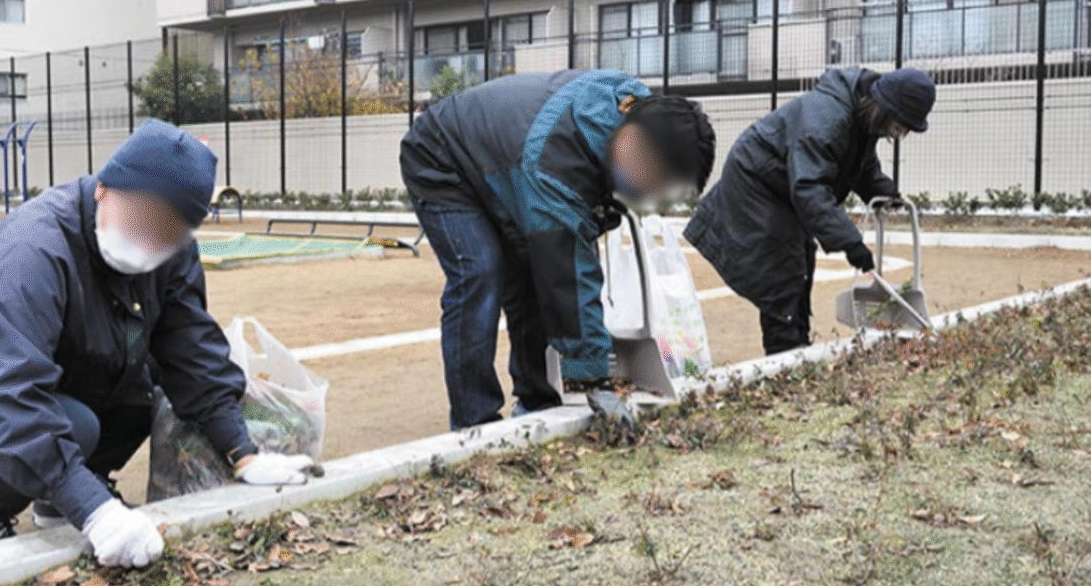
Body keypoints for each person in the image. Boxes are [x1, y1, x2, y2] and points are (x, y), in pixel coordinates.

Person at [0, 120, 319, 569]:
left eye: (170, 229)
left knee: (145, 386)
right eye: (139, 216)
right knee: (73, 425)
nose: (150, 239)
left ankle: (61, 498)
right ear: (102, 191)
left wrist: (244, 453)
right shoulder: (32, 252)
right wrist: (96, 513)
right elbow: (10, 395)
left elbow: (191, 349)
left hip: (57, 377)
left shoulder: (173, 256)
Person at [400, 69, 716, 430]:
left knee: (531, 276)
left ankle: (537, 401)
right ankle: (474, 425)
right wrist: (596, 382)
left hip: (506, 164)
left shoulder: (637, 112)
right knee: (481, 273)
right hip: (441, 157)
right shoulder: (560, 165)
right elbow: (568, 278)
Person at [684, 66, 936, 356]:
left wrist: (885, 193)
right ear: (885, 108)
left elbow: (862, 165)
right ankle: (784, 356)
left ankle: (797, 350)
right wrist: (849, 241)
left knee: (801, 263)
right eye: (899, 124)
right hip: (757, 185)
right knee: (780, 273)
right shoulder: (827, 117)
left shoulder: (862, 114)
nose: (899, 132)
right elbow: (809, 187)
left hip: (783, 187)